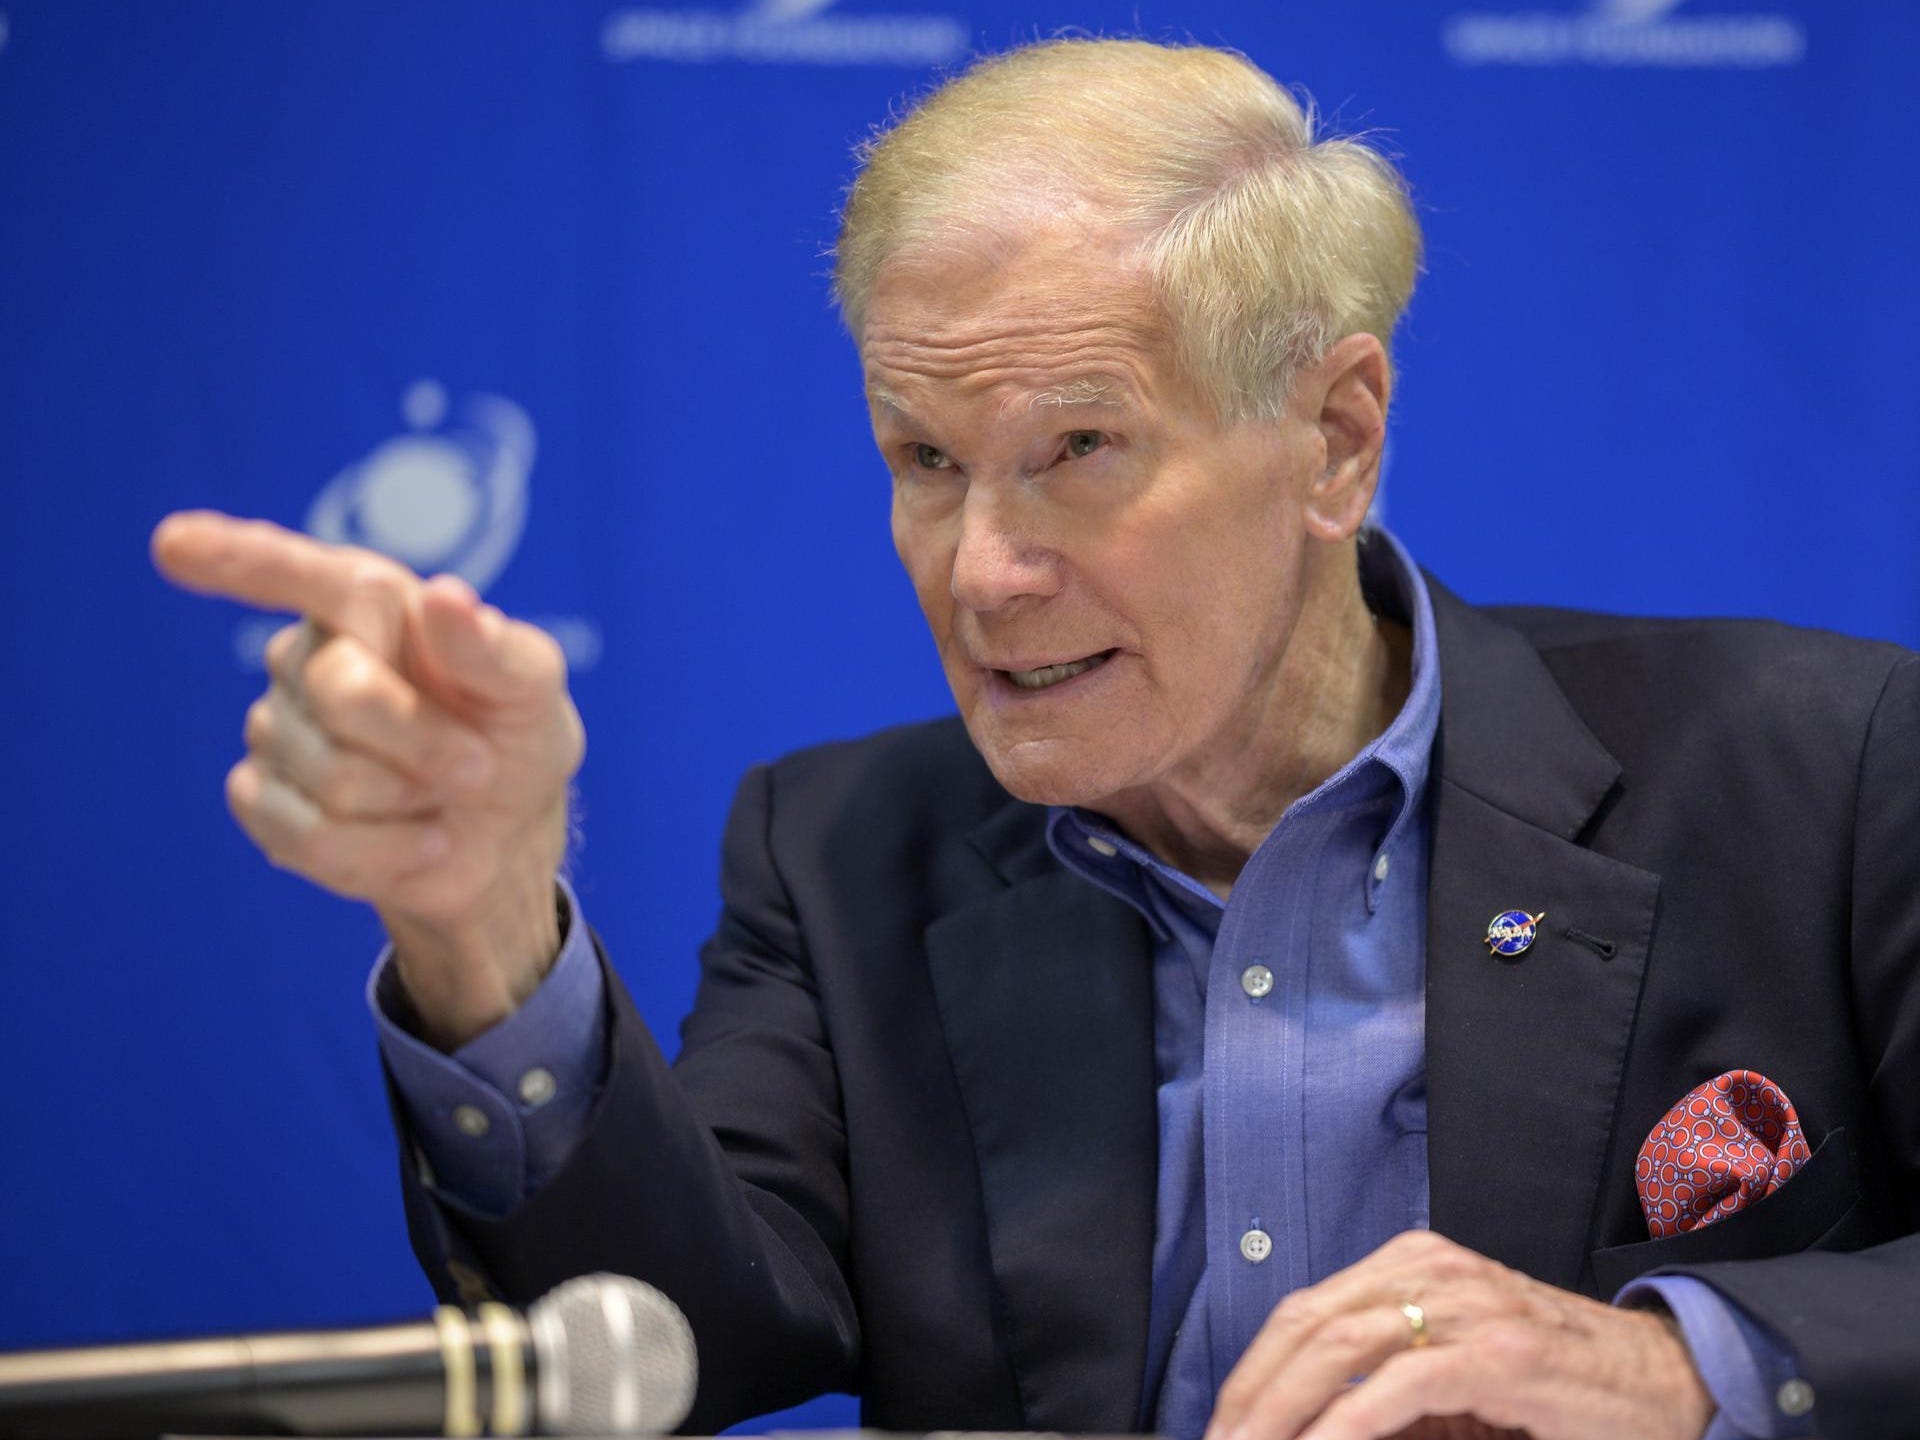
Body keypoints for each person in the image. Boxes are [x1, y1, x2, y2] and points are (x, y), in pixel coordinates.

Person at [153, 37, 1920, 1440]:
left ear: (1334, 438)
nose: (985, 573)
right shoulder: (841, 850)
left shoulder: (1814, 766)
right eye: (926, 460)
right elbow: (668, 1353)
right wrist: (477, 920)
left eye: (1083, 448)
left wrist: (1680, 1369)